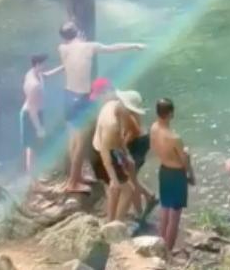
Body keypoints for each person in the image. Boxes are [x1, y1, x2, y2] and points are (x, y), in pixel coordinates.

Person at [57, 22, 147, 193]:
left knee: (72, 140)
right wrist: (135, 45)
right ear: (79, 32)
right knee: (81, 143)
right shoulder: (89, 47)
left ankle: (76, 177)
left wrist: (77, 40)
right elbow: (112, 48)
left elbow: (71, 58)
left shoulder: (62, 49)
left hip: (67, 96)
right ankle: (73, 182)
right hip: (82, 98)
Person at [91, 90, 146, 221]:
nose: (133, 114)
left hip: (114, 150)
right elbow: (105, 153)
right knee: (127, 190)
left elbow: (124, 136)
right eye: (132, 111)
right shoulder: (112, 125)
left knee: (118, 186)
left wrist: (126, 153)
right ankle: (117, 225)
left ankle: (112, 221)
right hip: (104, 154)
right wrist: (113, 177)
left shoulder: (114, 105)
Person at [151, 98, 195, 254]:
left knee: (165, 210)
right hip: (176, 175)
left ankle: (159, 244)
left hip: (164, 170)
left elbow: (154, 147)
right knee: (175, 216)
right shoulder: (174, 138)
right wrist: (191, 174)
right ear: (171, 113)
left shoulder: (154, 128)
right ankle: (167, 251)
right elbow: (184, 162)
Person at [21, 54, 63, 177]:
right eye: (44, 64)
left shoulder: (37, 73)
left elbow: (47, 74)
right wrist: (38, 128)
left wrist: (63, 67)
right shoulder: (33, 84)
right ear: (37, 65)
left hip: (38, 112)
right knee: (31, 146)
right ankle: (31, 177)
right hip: (30, 115)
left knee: (36, 144)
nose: (46, 66)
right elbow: (32, 109)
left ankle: (35, 172)